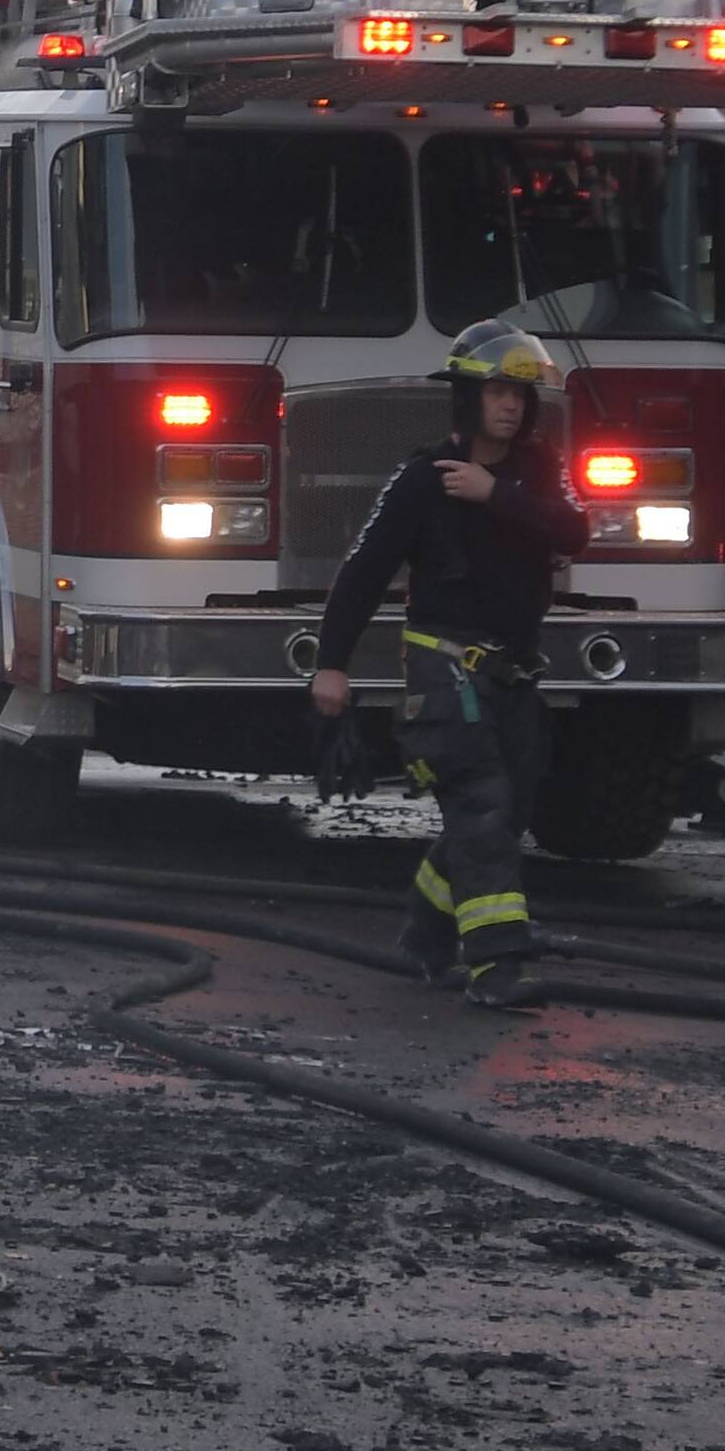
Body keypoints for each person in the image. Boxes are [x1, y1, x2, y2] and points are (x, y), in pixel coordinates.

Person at [309, 320, 588, 1008]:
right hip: (445, 677)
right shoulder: (423, 479)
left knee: (502, 814)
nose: (510, 405)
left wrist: (495, 493)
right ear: (467, 397)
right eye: (496, 391)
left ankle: (427, 937)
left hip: (513, 675)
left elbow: (575, 529)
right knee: (483, 806)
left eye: (520, 394)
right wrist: (331, 664)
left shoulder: (537, 473)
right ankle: (497, 964)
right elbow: (364, 571)